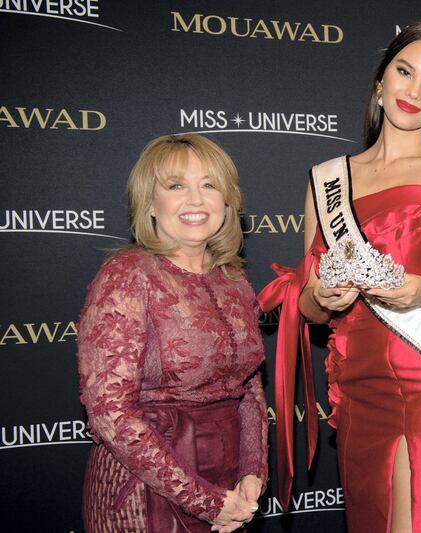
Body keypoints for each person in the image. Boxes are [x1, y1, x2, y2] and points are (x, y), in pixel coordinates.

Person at [259, 20, 421, 533]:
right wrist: (320, 294)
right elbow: (313, 310)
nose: (414, 91)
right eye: (404, 72)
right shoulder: (326, 179)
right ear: (381, 82)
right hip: (357, 385)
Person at [77, 134, 268, 533]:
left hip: (228, 485)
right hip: (146, 494)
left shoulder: (233, 278)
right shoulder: (127, 275)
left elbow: (249, 386)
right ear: (149, 201)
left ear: (228, 201)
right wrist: (202, 499)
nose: (196, 200)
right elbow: (110, 411)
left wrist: (254, 470)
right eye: (176, 185)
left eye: (209, 185)